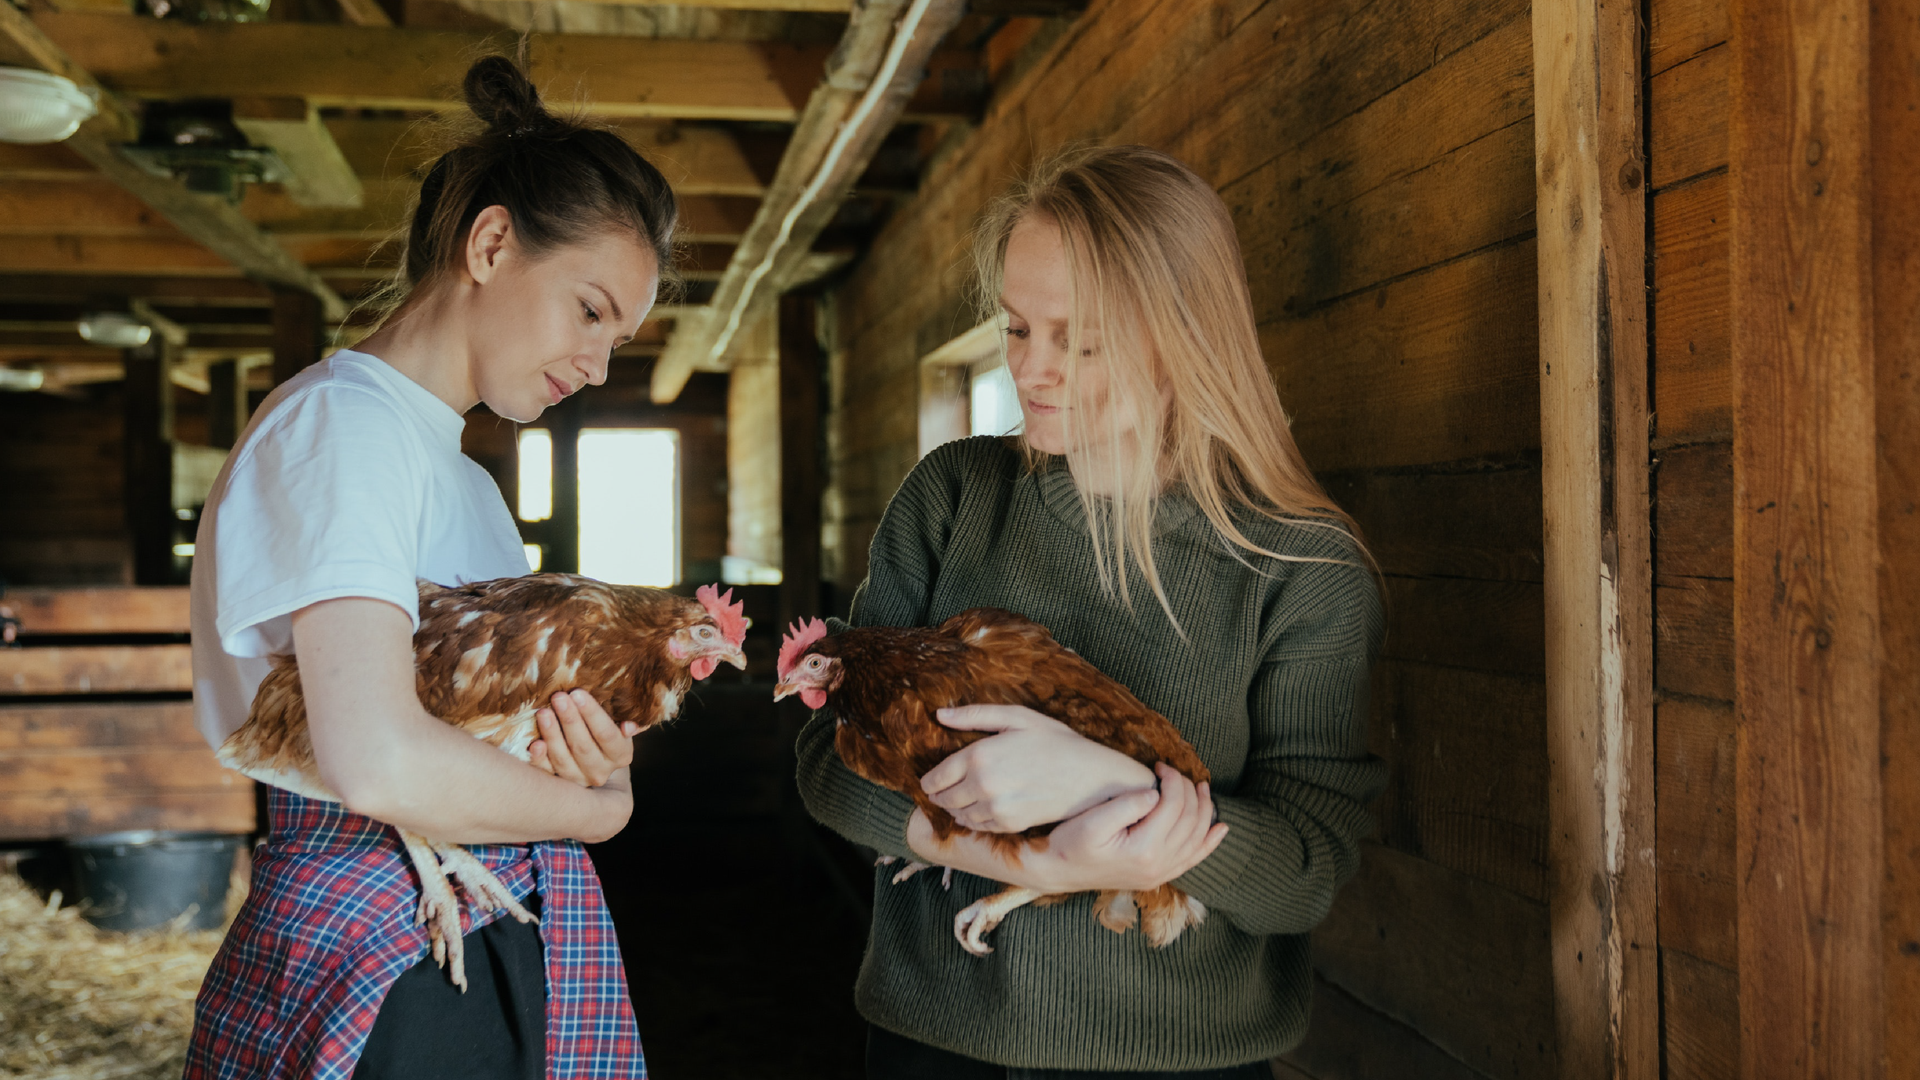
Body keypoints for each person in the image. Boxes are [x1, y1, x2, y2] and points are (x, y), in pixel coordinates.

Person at [795, 145, 1387, 1078]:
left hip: (1181, 1060)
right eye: (1019, 327)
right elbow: (828, 766)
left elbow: (1307, 869)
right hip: (935, 1045)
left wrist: (1097, 787)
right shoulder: (954, 496)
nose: (1035, 369)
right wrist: (1037, 867)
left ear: (1181, 334)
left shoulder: (1297, 565)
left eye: (1082, 339)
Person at [184, 56, 675, 1080]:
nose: (598, 365)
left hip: (472, 917)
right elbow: (378, 763)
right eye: (590, 310)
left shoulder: (464, 485)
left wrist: (582, 758)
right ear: (491, 244)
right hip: (387, 930)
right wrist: (602, 809)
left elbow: (488, 749)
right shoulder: (343, 430)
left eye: (619, 339)